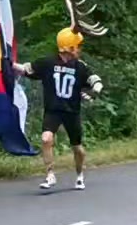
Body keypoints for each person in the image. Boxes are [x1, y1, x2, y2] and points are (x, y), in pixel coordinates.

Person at [14, 28, 103, 191]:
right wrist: (8, 63)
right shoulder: (48, 63)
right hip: (53, 110)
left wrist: (95, 89)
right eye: (77, 46)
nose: (79, 50)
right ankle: (50, 175)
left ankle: (79, 174)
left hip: (71, 112)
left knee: (77, 148)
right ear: (69, 48)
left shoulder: (80, 67)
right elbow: (26, 69)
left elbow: (94, 80)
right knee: (46, 139)